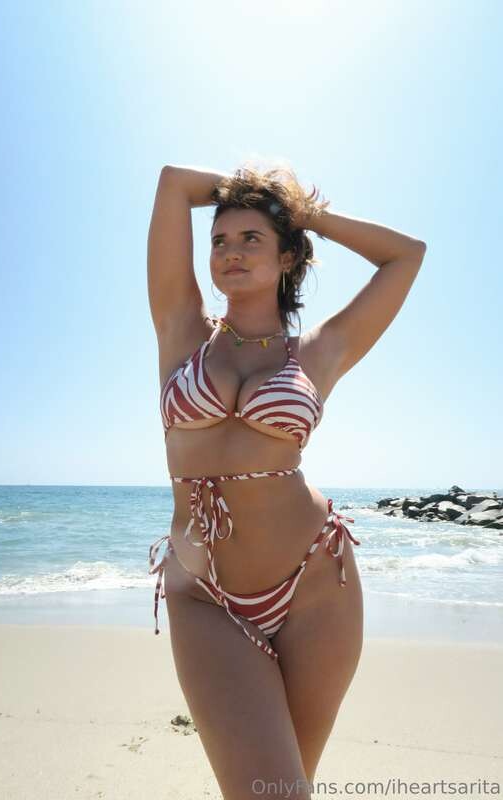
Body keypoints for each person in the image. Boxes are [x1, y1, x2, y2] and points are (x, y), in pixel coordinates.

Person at [147, 162, 427, 800]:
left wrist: (303, 213)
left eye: (252, 239)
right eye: (220, 240)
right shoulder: (181, 328)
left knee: (287, 786)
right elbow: (173, 183)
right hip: (204, 595)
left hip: (316, 587)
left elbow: (406, 256)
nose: (230, 251)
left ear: (288, 257)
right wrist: (257, 197)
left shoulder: (318, 352)